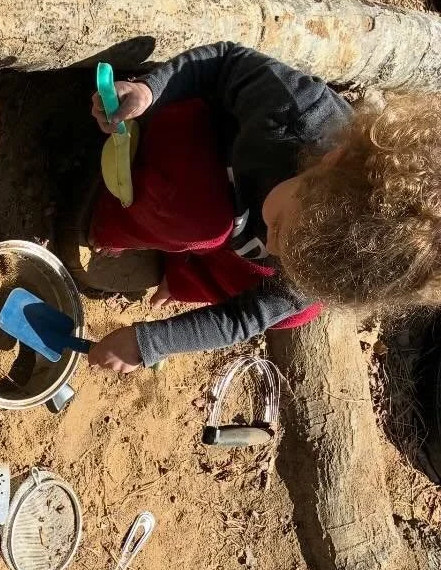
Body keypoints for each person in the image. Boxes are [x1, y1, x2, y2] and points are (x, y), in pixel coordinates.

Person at [83, 42, 441, 373]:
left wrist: (147, 344)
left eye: (286, 252)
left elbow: (245, 318)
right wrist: (149, 89)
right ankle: (111, 219)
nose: (272, 249)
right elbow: (223, 62)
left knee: (294, 312)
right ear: (331, 161)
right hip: (191, 157)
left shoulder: (329, 260)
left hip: (234, 225)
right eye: (283, 230)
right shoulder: (295, 111)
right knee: (203, 219)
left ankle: (179, 273)